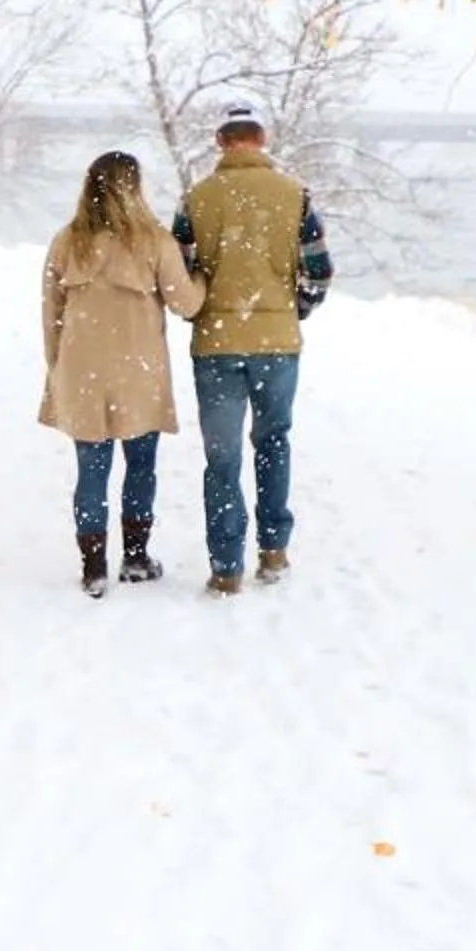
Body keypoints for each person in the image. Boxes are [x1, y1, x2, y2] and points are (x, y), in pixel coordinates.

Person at [174, 100, 335, 595]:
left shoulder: (196, 199)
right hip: (277, 344)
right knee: (273, 443)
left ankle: (226, 567)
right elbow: (319, 271)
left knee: (222, 459)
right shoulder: (295, 196)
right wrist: (293, 310)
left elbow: (179, 275)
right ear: (261, 139)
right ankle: (273, 549)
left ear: (220, 142)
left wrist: (203, 310)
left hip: (217, 345)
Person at [39, 151, 205, 598]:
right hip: (138, 373)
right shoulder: (154, 242)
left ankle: (93, 566)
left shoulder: (66, 242)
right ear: (135, 189)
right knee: (141, 466)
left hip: (82, 372)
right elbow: (187, 303)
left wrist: (57, 367)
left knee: (91, 471)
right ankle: (135, 556)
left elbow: (52, 313)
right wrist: (204, 279)